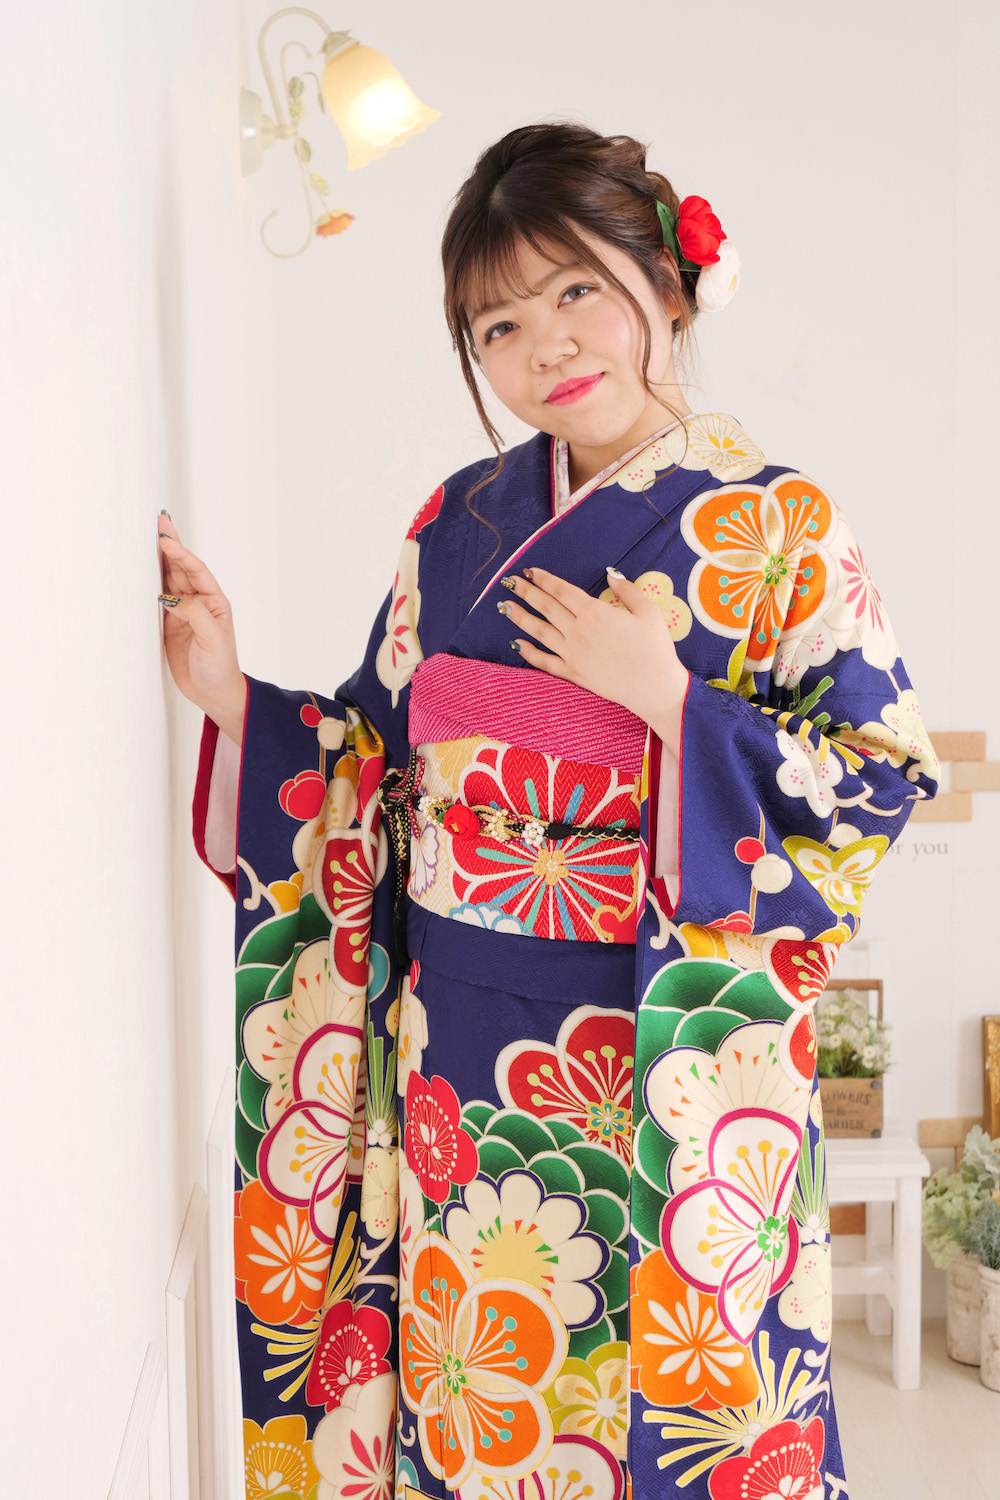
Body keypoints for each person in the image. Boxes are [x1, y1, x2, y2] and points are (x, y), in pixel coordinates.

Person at [158, 123, 938, 1500]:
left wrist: (672, 703)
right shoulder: (456, 520)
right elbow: (376, 755)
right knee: (488, 1379)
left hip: (667, 1044)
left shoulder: (784, 527)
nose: (545, 346)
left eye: (577, 288)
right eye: (500, 324)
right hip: (464, 1051)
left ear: (669, 282)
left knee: (673, 1402)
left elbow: (876, 781)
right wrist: (231, 692)